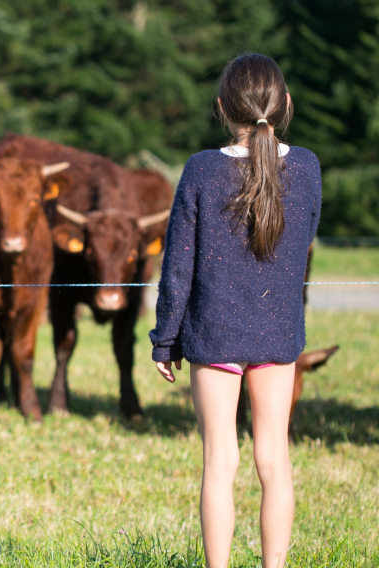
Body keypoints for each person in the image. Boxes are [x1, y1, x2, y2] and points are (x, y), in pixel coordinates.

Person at [151, 54, 321, 568]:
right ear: (285, 104)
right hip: (277, 336)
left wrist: (165, 338)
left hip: (213, 335)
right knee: (275, 461)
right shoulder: (308, 168)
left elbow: (177, 264)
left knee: (219, 463)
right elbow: (305, 241)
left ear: (222, 107)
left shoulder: (201, 170)